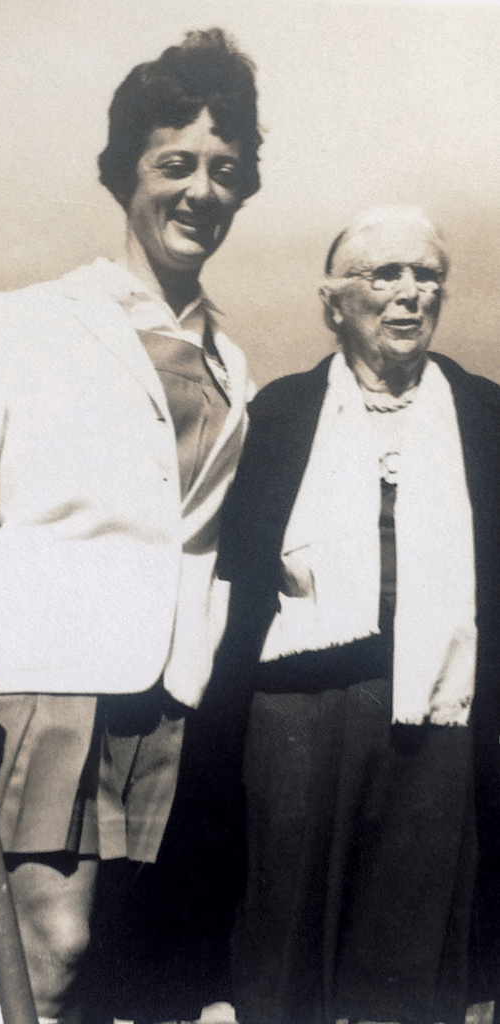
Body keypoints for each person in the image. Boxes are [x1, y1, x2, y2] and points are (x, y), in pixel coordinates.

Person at [0, 27, 262, 1024]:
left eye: (224, 169)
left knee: (88, 978)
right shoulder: (15, 320)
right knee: (49, 948)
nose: (199, 191)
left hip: (159, 702)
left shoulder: (235, 364)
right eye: (172, 163)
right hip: (36, 686)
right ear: (125, 173)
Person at [216, 206, 500, 1024]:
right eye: (385, 276)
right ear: (333, 302)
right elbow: (237, 569)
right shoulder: (282, 412)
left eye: (425, 276)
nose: (410, 294)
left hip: (438, 708)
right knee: (281, 945)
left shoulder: (483, 414)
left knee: (407, 965)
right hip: (296, 712)